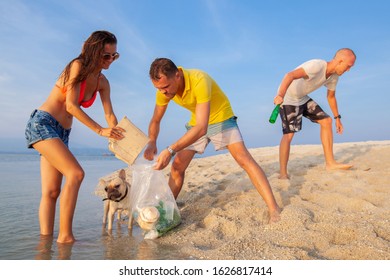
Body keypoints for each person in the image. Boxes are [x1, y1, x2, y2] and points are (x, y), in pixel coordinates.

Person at [144, 58, 281, 223]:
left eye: (165, 87)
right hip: (197, 122)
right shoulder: (163, 91)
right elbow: (156, 120)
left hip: (221, 117)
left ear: (177, 75)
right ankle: (167, 211)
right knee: (178, 165)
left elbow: (202, 128)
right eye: (158, 89)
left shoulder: (199, 79)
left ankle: (274, 209)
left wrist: (170, 150)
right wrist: (152, 140)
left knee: (244, 160)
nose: (163, 92)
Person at [25, 31, 125, 243]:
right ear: (93, 51)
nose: (110, 61)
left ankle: (44, 246)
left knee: (52, 192)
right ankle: (65, 237)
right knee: (76, 174)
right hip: (43, 124)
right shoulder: (77, 66)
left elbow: (109, 115)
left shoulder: (103, 82)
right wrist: (100, 131)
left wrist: (117, 135)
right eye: (106, 56)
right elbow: (71, 105)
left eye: (114, 56)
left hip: (62, 133)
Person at [273, 48, 356, 179]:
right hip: (288, 97)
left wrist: (337, 118)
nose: (348, 70)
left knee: (326, 121)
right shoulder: (316, 65)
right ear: (340, 61)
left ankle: (330, 163)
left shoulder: (334, 77)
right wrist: (280, 95)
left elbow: (331, 97)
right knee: (289, 135)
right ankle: (283, 173)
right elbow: (289, 75)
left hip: (302, 98)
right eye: (348, 66)